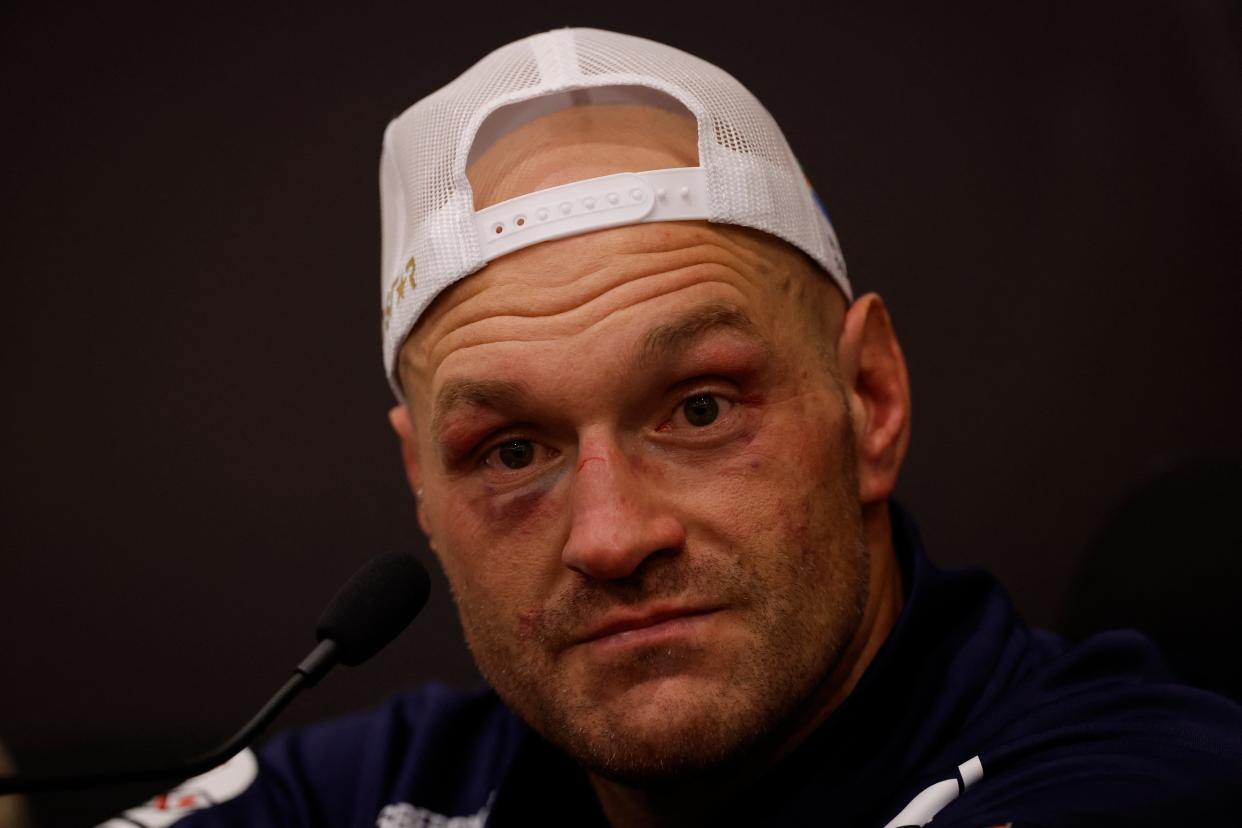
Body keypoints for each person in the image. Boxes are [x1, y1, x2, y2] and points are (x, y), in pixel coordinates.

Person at [104, 28, 1242, 828]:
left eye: (699, 410)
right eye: (512, 451)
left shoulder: (1141, 779)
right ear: (422, 489)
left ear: (872, 402)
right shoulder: (398, 784)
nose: (609, 536)